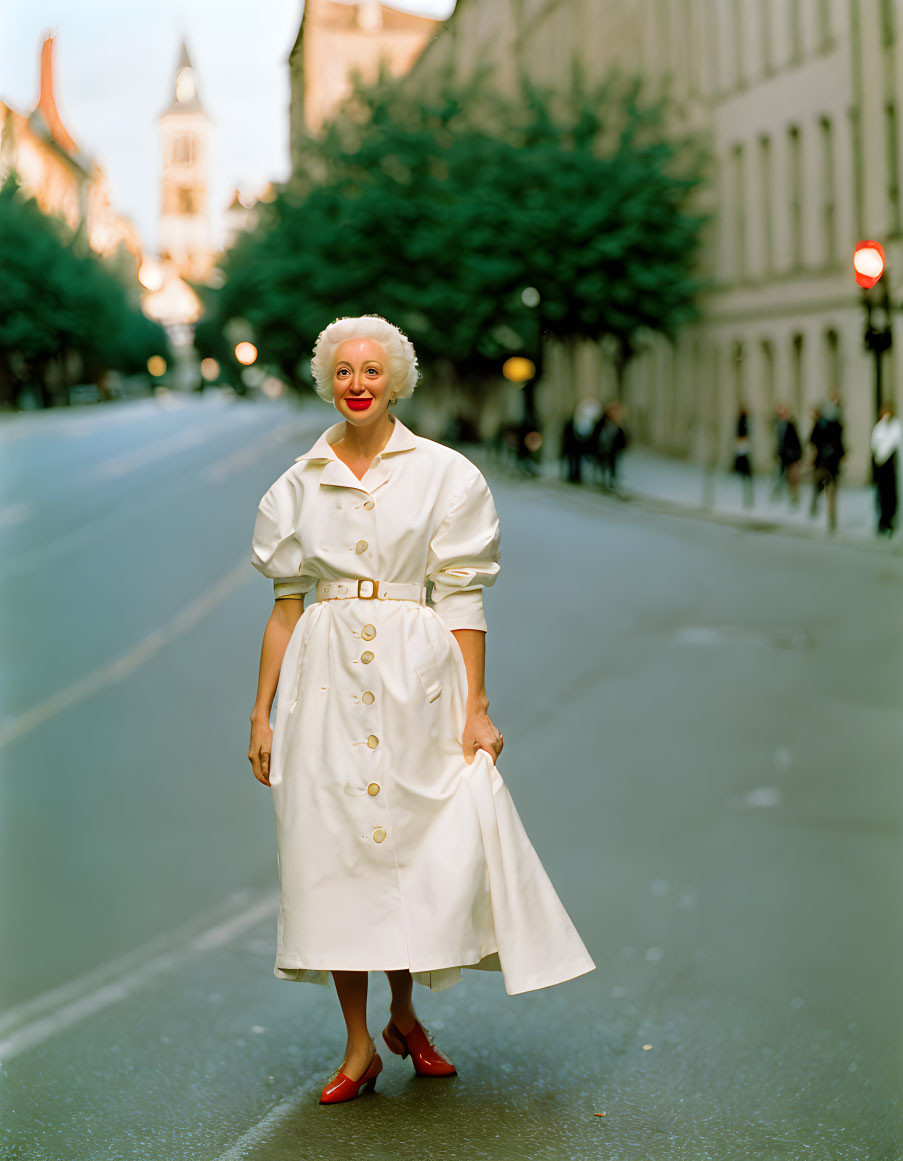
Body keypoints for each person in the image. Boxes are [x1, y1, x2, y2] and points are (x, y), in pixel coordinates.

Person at [247, 315, 596, 1106]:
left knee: (405, 846)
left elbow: (462, 597)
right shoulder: (296, 485)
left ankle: (404, 1016)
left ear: (396, 379)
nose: (357, 383)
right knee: (331, 854)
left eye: (372, 370)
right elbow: (283, 607)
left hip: (417, 679)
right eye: (342, 370)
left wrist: (474, 707)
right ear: (326, 380)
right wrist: (261, 714)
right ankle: (359, 1041)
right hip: (324, 683)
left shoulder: (446, 475)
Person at [807, 402, 845, 532]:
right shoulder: (837, 426)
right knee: (831, 492)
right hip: (832, 464)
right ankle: (831, 517)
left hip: (822, 464)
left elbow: (813, 444)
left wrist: (812, 460)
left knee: (818, 487)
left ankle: (816, 508)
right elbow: (841, 446)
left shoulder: (819, 425)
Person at [870, 404, 901, 537]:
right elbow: (875, 446)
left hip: (891, 467)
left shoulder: (895, 427)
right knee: (881, 496)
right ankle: (882, 523)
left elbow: (895, 443)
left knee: (891, 496)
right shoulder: (879, 428)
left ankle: (889, 522)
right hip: (880, 467)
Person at [592, 401, 629, 493]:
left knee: (613, 466)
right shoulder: (602, 423)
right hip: (602, 449)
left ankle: (611, 481)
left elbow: (624, 437)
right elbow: (595, 435)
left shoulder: (619, 424)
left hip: (614, 450)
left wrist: (622, 447)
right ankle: (602, 481)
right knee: (602, 465)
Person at [770, 403, 802, 507]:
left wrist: (796, 456)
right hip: (783, 457)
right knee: (780, 477)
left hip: (791, 457)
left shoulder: (790, 425)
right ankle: (782, 496)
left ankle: (793, 498)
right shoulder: (779, 425)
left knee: (791, 479)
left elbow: (796, 442)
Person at [732, 403, 754, 509]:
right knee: (744, 469)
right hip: (742, 446)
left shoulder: (744, 420)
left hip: (743, 446)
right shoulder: (743, 420)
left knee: (745, 469)